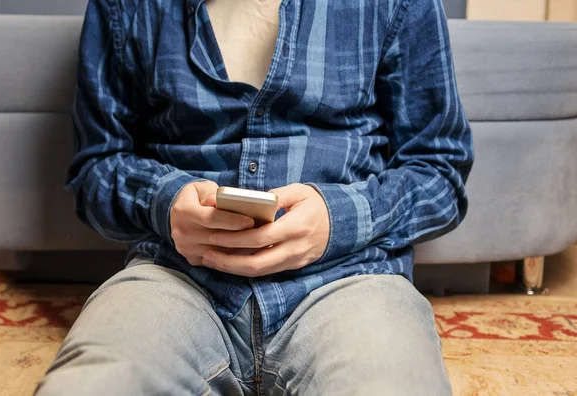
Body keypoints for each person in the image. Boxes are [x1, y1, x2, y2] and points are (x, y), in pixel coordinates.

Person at [36, 0, 473, 394]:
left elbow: (441, 170)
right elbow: (96, 167)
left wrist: (337, 220)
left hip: (352, 281)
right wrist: (163, 202)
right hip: (174, 279)